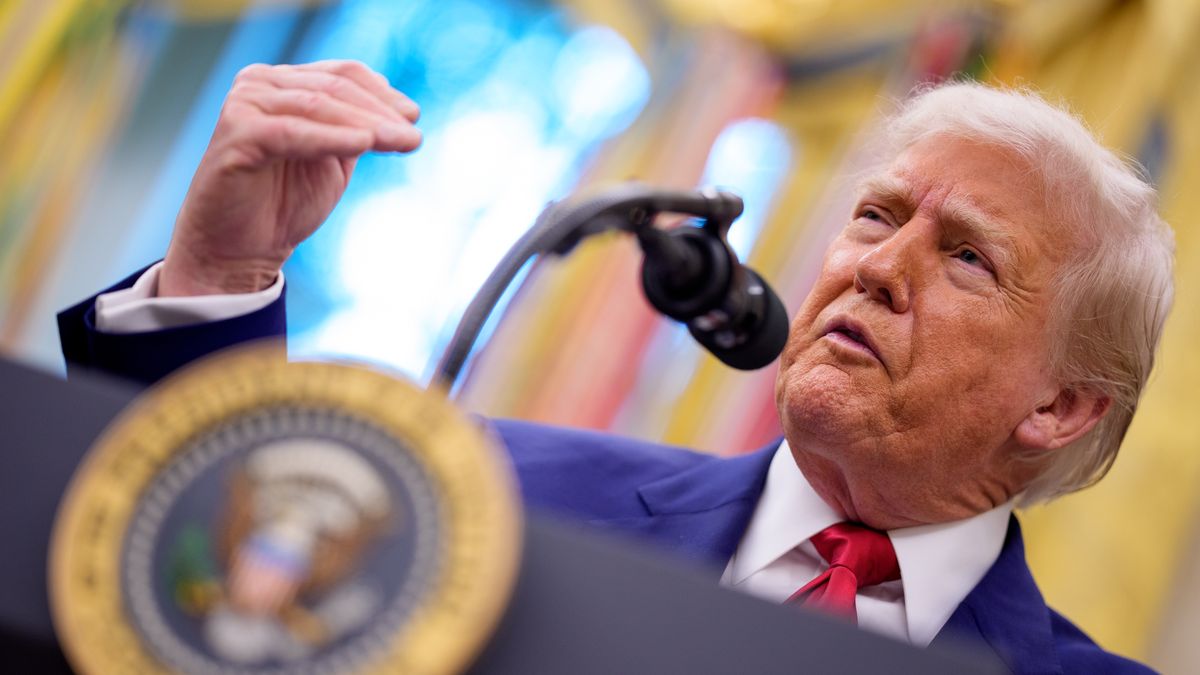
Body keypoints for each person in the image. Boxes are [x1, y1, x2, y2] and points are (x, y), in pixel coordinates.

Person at [58, 60, 1174, 673]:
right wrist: (221, 269)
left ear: (1064, 404)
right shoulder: (496, 494)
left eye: (967, 257)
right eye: (876, 215)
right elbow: (179, 599)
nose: (879, 266)